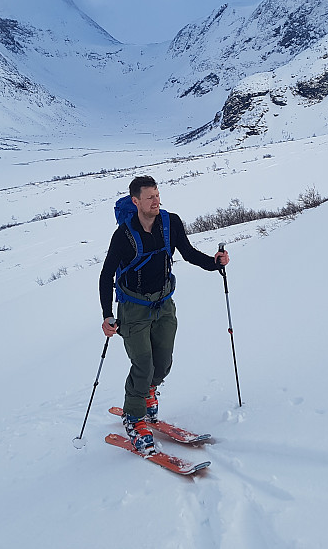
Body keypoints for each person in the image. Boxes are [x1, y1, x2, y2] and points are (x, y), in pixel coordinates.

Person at [99, 175, 229, 455]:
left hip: (164, 304)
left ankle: (148, 392)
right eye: (150, 197)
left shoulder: (171, 223)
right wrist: (108, 315)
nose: (157, 201)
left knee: (163, 364)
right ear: (136, 202)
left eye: (158, 195)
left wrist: (214, 264)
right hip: (133, 309)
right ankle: (134, 419)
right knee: (143, 365)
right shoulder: (123, 235)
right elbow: (106, 274)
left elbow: (189, 253)